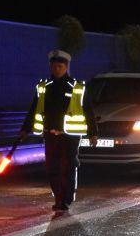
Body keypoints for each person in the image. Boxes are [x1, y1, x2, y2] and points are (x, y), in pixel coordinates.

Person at [18, 50, 98, 211]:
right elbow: (34, 108)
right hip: (49, 134)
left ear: (66, 67)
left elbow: (88, 110)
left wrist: (93, 132)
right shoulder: (43, 86)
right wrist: (25, 129)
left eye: (60, 66)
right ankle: (59, 198)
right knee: (52, 168)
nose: (56, 70)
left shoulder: (77, 87)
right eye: (54, 67)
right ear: (50, 67)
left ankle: (65, 200)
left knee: (68, 167)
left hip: (69, 135)